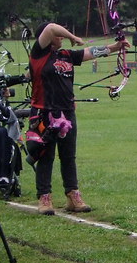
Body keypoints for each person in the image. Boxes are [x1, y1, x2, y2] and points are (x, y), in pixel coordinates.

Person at [27, 22, 126, 215]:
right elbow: (50, 28)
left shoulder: (66, 55)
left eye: (63, 36)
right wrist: (73, 37)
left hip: (66, 113)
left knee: (68, 156)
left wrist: (115, 48)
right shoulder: (39, 53)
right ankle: (44, 198)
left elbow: (90, 52)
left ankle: (73, 195)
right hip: (43, 112)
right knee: (45, 156)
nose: (61, 37)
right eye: (59, 36)